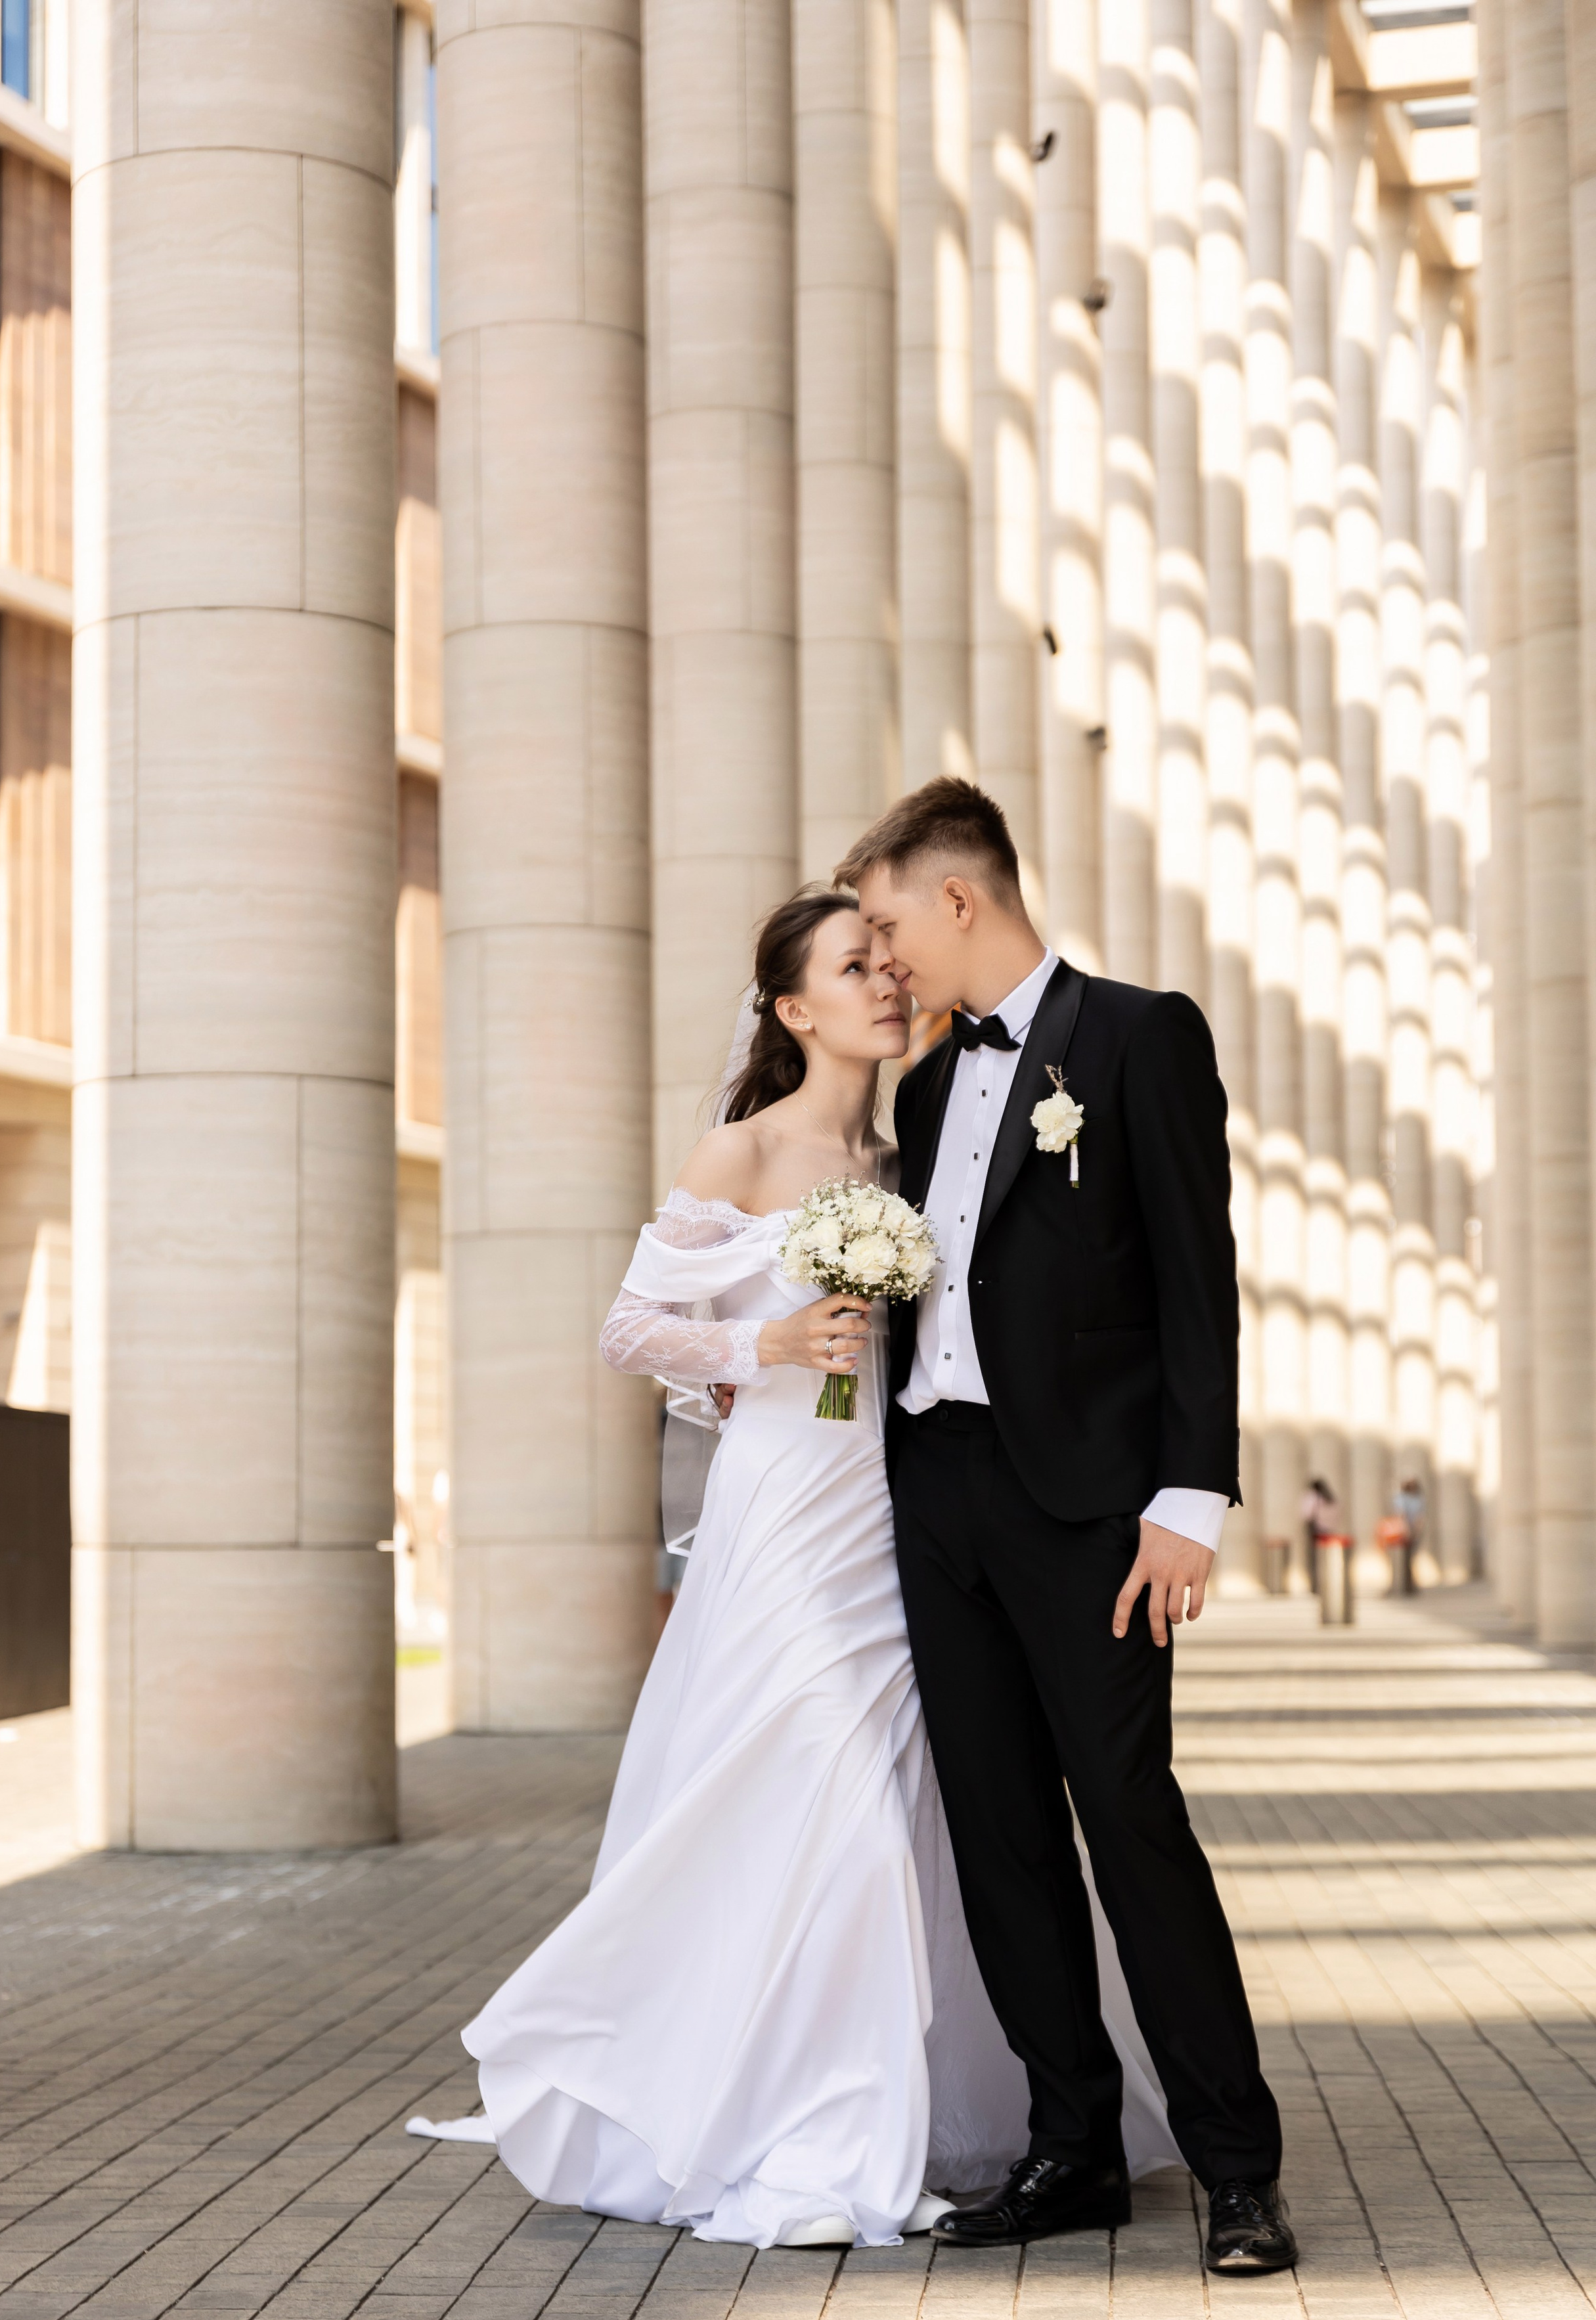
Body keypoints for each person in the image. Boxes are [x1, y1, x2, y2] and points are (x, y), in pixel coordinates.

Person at [408, 887, 1178, 2249]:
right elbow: (629, 1326)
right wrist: (761, 1348)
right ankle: (816, 2130)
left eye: (891, 964)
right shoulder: (741, 1151)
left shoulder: (909, 1157)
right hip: (781, 1514)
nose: (887, 983)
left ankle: (901, 2103)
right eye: (853, 966)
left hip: (897, 1524)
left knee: (907, 1807)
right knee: (839, 1795)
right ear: (791, 1007)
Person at [840, 775, 1297, 2274]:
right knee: (998, 1835)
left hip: (1092, 1513)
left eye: (891, 918)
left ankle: (1237, 2171)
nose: (883, 952)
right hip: (939, 1494)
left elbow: (1194, 1283)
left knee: (1129, 1824)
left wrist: (1188, 1503)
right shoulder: (919, 1087)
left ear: (957, 897)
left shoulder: (1136, 1035)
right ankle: (1070, 2149)